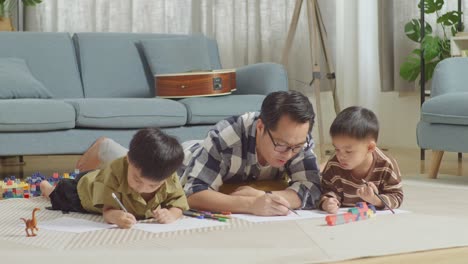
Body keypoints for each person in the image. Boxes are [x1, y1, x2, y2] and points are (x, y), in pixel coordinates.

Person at [75, 90, 322, 216]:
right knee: (139, 165)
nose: (289, 153)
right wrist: (248, 204)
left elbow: (311, 186)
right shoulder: (228, 136)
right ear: (261, 127)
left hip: (235, 178)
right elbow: (193, 193)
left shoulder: (296, 136)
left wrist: (266, 196)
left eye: (297, 147)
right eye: (282, 145)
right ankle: (106, 147)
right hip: (186, 161)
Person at [41, 128, 189, 228]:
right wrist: (116, 217)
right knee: (61, 195)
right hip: (86, 189)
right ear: (129, 159)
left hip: (99, 179)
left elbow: (179, 204)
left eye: (152, 186)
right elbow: (107, 211)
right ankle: (48, 188)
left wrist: (171, 214)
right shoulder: (113, 173)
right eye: (137, 180)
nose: (142, 188)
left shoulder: (168, 175)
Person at [318, 106, 403, 214]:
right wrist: (327, 202)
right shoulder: (334, 165)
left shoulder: (386, 165)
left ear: (370, 148)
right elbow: (327, 191)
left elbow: (397, 196)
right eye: (337, 149)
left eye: (348, 151)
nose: (340, 156)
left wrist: (376, 200)